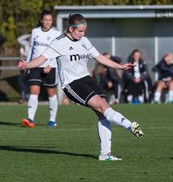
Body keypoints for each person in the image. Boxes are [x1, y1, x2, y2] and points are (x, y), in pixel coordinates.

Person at [18, 13, 144, 161]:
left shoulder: (84, 40)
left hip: (87, 80)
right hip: (72, 84)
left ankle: (105, 154)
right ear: (71, 29)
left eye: (84, 31)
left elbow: (99, 57)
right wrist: (27, 64)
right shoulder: (59, 42)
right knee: (103, 107)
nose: (83, 34)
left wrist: (120, 66)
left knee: (103, 112)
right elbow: (42, 58)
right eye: (80, 31)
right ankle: (130, 126)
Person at [21, 10, 61, 128]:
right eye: (45, 20)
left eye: (50, 20)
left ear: (52, 21)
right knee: (33, 91)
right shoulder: (35, 32)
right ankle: (30, 119)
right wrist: (27, 64)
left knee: (51, 93)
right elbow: (32, 48)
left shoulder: (56, 33)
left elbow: (57, 51)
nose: (48, 22)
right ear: (41, 21)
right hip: (35, 66)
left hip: (50, 66)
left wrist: (50, 64)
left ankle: (52, 120)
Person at [17, 33, 31, 104]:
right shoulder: (26, 44)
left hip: (33, 66)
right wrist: (28, 35)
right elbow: (19, 39)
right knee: (22, 80)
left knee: (29, 81)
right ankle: (26, 95)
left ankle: (28, 96)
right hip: (25, 66)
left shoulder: (37, 44)